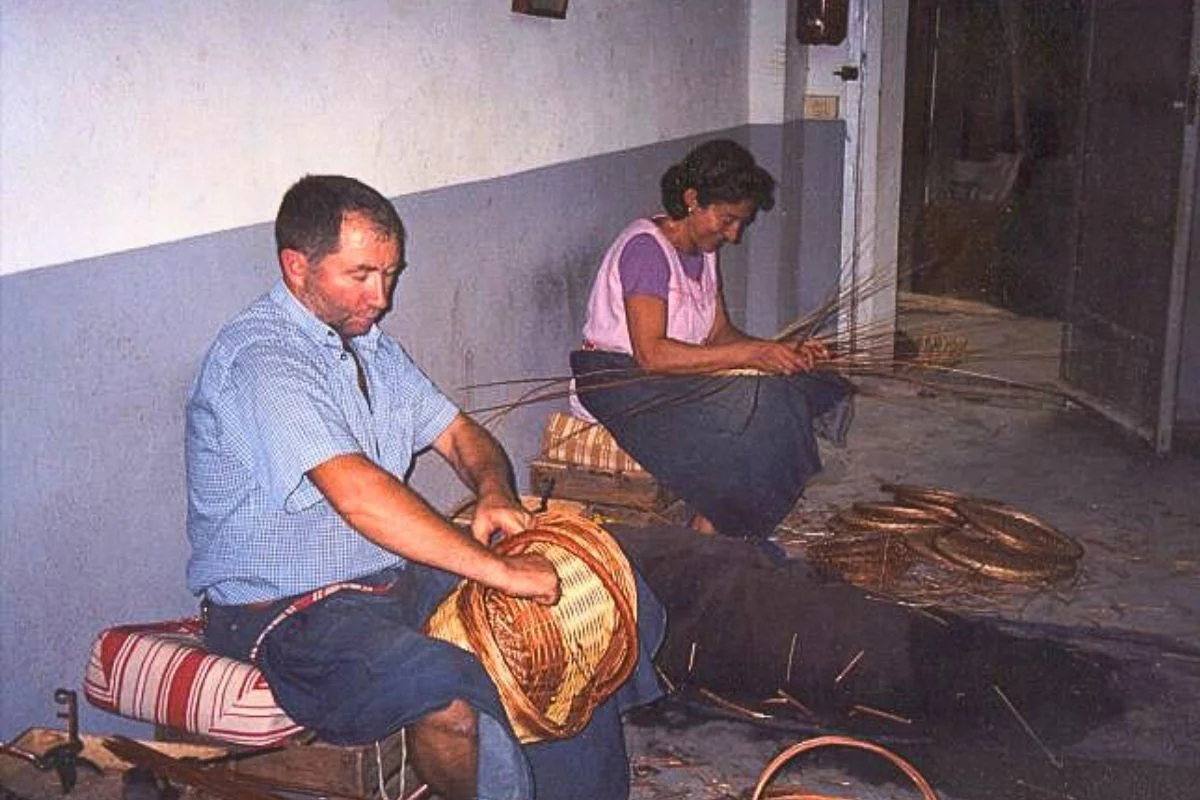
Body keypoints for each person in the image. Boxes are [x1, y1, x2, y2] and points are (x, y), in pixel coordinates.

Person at [186, 175, 664, 800]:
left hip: (389, 578)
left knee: (571, 624)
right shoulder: (261, 360)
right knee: (448, 690)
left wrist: (494, 491)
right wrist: (497, 571)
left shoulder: (372, 350)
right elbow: (357, 494)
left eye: (389, 274)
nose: (380, 297)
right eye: (359, 275)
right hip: (290, 614)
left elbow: (462, 434)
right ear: (296, 266)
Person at [569, 139, 854, 548]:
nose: (734, 235)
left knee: (802, 385)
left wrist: (782, 352)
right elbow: (651, 354)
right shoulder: (647, 251)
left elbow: (720, 334)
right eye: (727, 220)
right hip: (620, 380)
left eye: (741, 223)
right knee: (763, 408)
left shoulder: (703, 251)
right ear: (692, 200)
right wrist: (754, 356)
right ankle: (718, 526)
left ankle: (717, 522)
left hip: (675, 373)